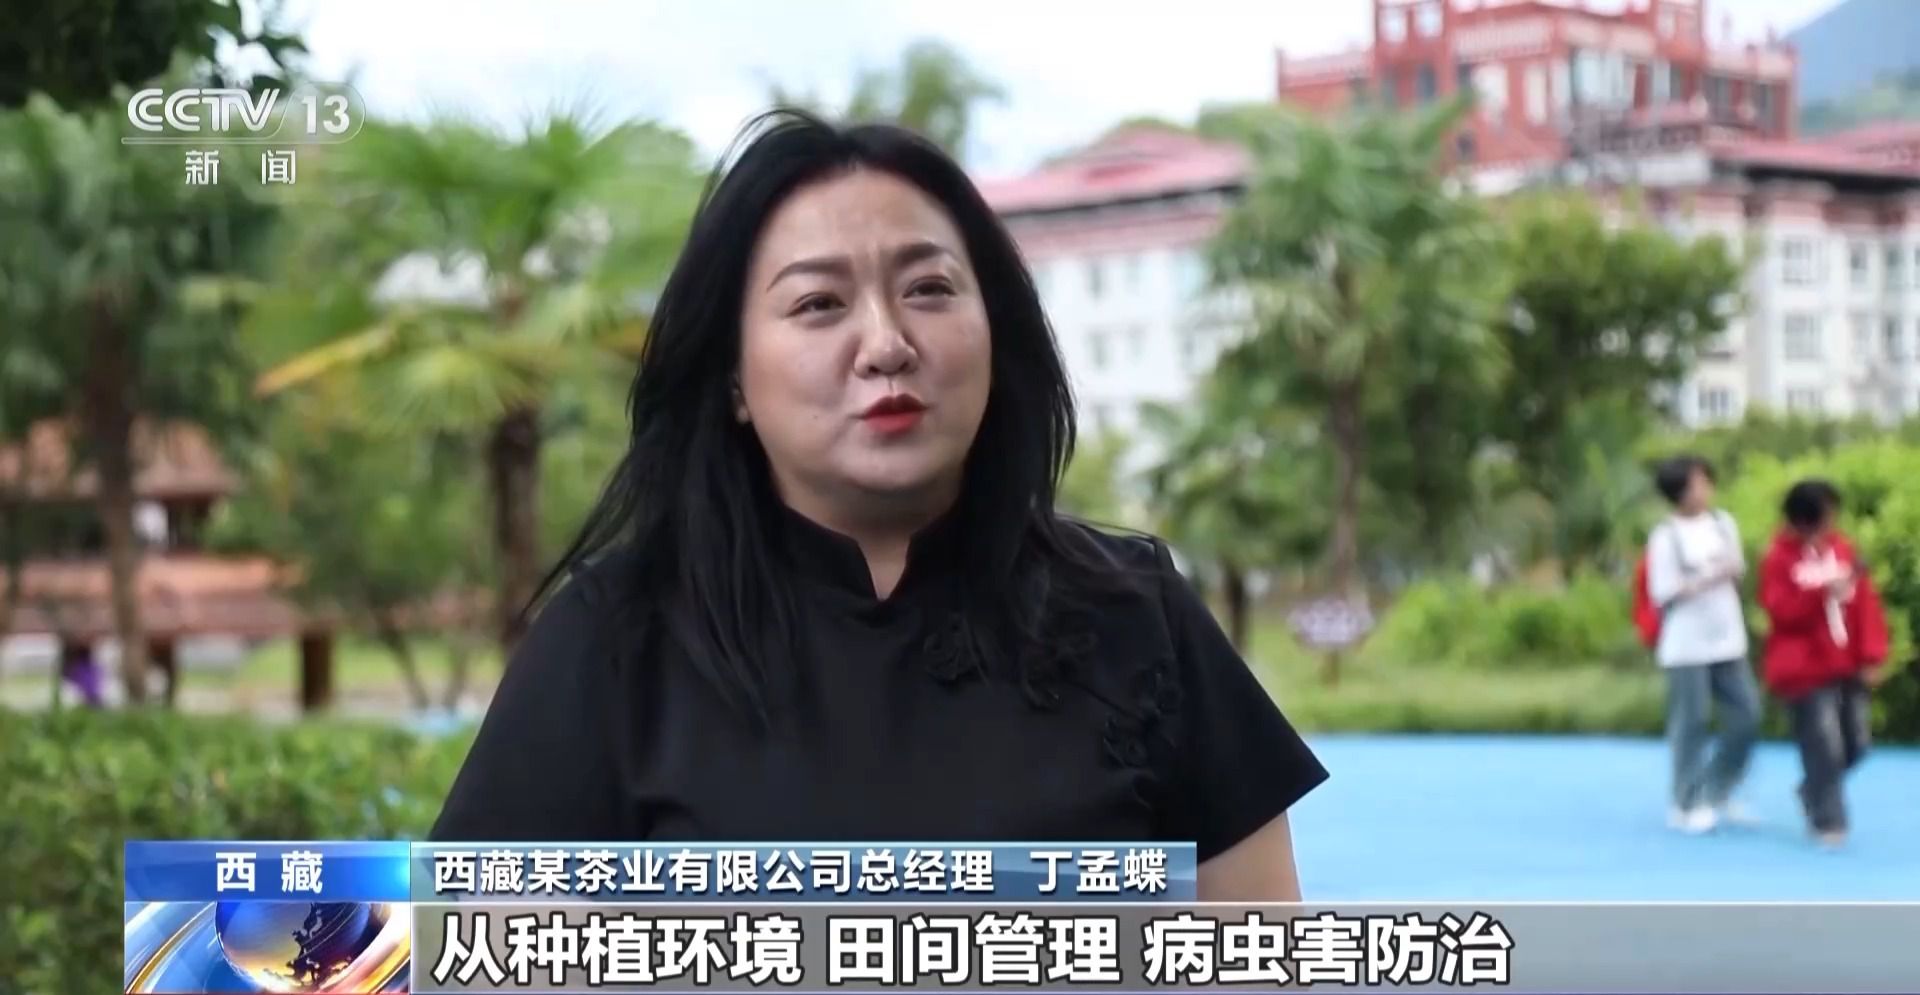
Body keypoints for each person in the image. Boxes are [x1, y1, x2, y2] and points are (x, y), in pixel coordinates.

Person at [430, 110, 1328, 900]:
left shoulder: (1136, 611)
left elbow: (1258, 956)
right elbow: (452, 954)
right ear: (734, 376)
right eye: (819, 303)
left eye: (929, 288)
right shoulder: (613, 638)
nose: (887, 344)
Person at [1758, 479, 1889, 849]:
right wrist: (1820, 594)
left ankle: (1813, 787)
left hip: (1845, 661)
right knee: (1822, 745)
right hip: (1803, 669)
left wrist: (1872, 654)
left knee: (1856, 743)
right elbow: (1781, 612)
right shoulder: (1779, 558)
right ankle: (1829, 819)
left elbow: (1865, 605)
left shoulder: (1841, 549)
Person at [1644, 455, 1761, 834]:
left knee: (1747, 716)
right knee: (1690, 725)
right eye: (1696, 484)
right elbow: (1662, 591)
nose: (1704, 489)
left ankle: (1718, 789)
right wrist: (1708, 577)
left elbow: (1737, 570)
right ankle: (1686, 801)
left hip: (1727, 640)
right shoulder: (1666, 536)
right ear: (1679, 491)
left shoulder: (1723, 524)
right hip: (1686, 645)